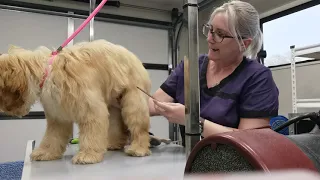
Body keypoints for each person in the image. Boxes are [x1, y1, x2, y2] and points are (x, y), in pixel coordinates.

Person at [149, 0, 279, 145]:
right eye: (210, 30)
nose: (210, 39)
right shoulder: (191, 67)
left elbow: (249, 140)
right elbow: (153, 104)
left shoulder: (258, 78)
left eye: (220, 34)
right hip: (191, 161)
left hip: (235, 165)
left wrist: (192, 121)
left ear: (244, 43)